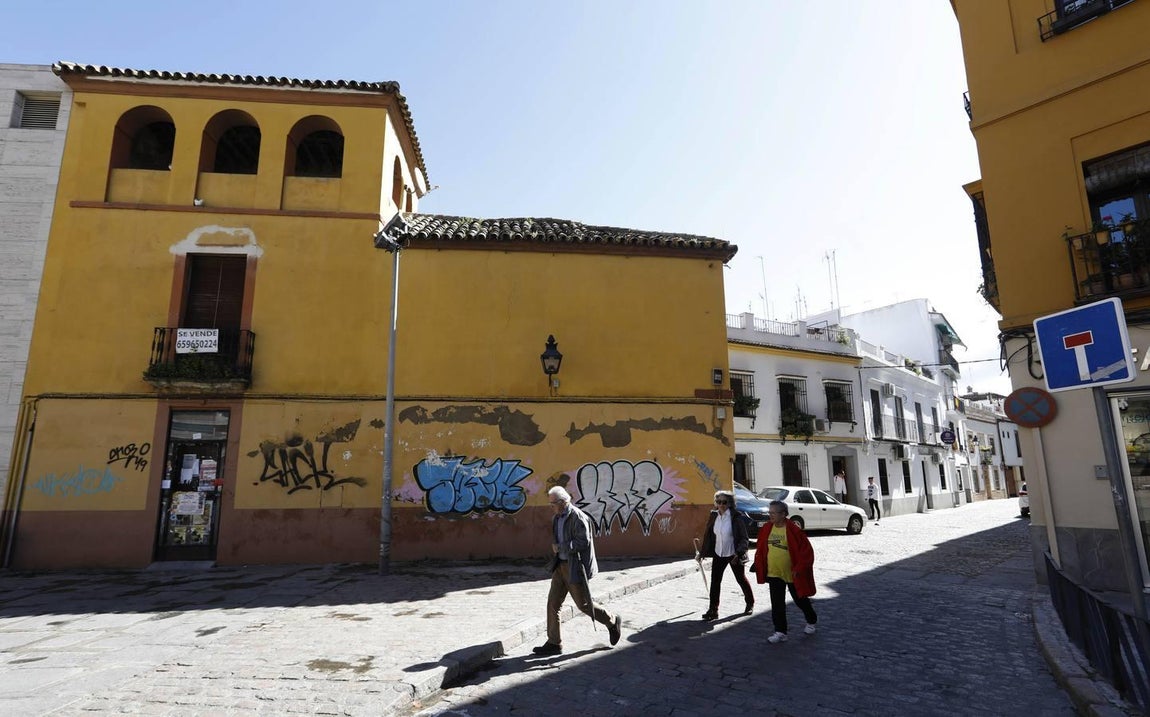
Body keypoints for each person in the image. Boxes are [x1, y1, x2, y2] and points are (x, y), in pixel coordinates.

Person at [533, 486, 622, 656]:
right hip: (560, 566)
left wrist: (562, 547)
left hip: (575, 567)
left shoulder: (578, 517)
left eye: (552, 504)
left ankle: (611, 620)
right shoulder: (556, 518)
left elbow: (583, 542)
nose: (550, 507)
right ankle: (554, 643)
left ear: (562, 502)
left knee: (584, 605)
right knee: (553, 604)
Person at [751, 500, 818, 644]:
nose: (771, 515)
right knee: (777, 604)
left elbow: (806, 553)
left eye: (774, 513)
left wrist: (799, 569)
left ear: (784, 514)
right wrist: (758, 563)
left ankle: (811, 620)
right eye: (770, 513)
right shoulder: (767, 528)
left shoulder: (794, 530)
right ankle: (780, 631)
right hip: (774, 573)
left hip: (792, 574)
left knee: (800, 600)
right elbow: (762, 548)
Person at [697, 489, 755, 620]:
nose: (721, 504)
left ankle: (750, 602)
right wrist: (703, 552)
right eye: (718, 502)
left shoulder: (736, 517)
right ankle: (713, 610)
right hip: (719, 553)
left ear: (730, 503)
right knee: (715, 582)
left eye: (724, 502)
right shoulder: (714, 516)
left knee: (740, 579)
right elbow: (709, 535)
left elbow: (744, 538)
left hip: (733, 553)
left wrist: (739, 553)